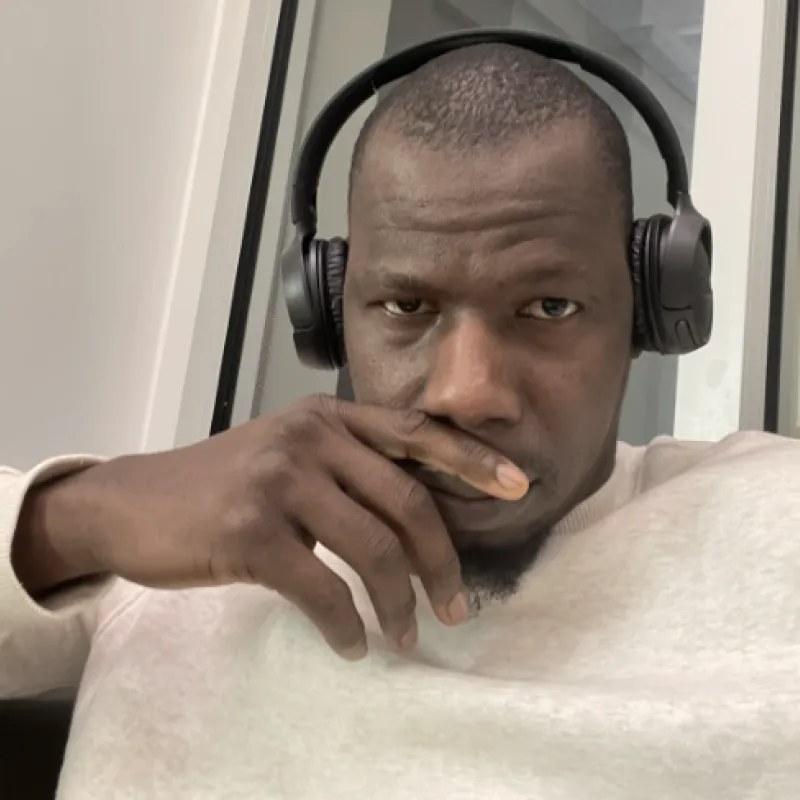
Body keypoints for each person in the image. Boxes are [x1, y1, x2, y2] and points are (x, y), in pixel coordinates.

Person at [2, 41, 799, 799]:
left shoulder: (774, 521)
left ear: (649, 314)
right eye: (405, 306)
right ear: (327, 312)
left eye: (549, 306)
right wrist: (78, 516)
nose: (465, 392)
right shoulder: (179, 553)